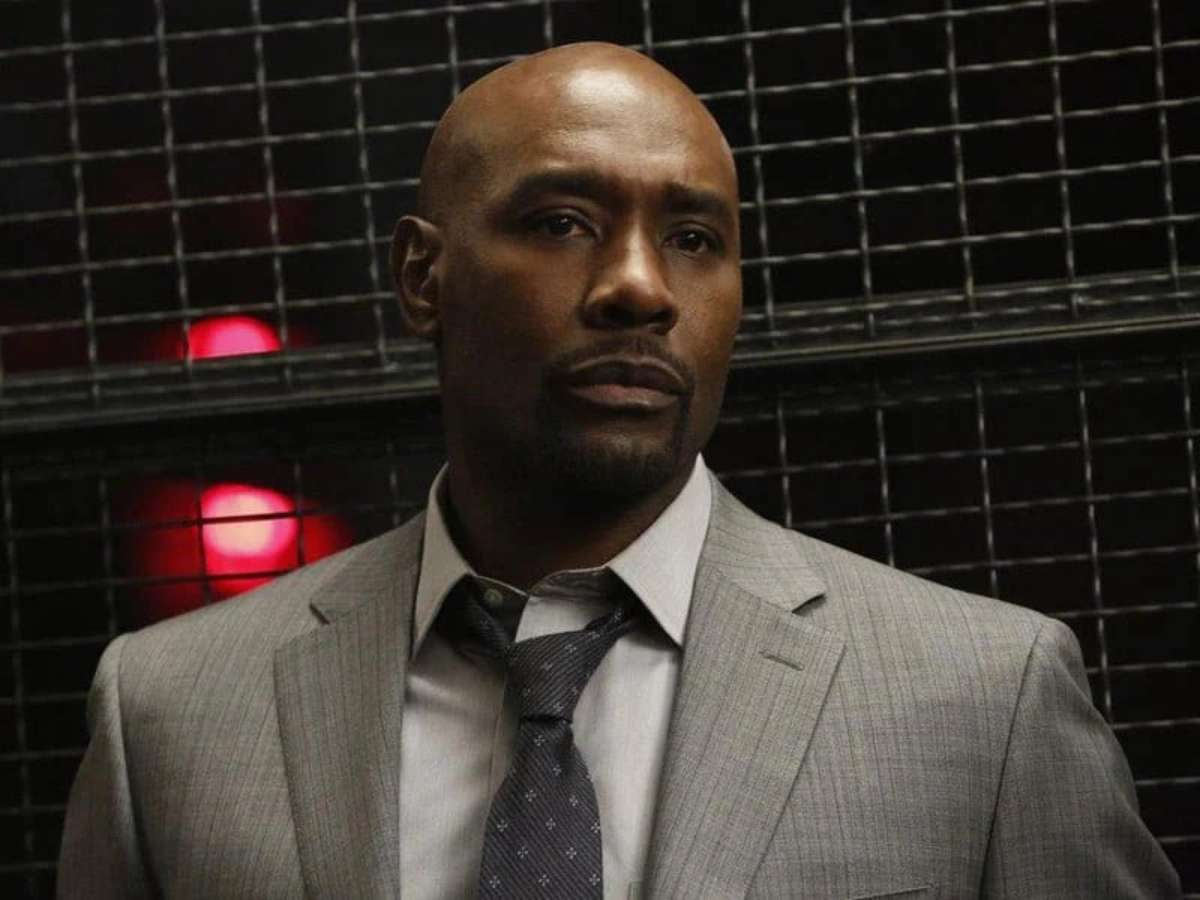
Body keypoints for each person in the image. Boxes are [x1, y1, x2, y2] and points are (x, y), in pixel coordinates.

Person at [58, 41, 1180, 900]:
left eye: (694, 239)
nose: (640, 287)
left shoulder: (983, 700)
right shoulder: (171, 716)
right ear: (422, 278)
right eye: (561, 222)